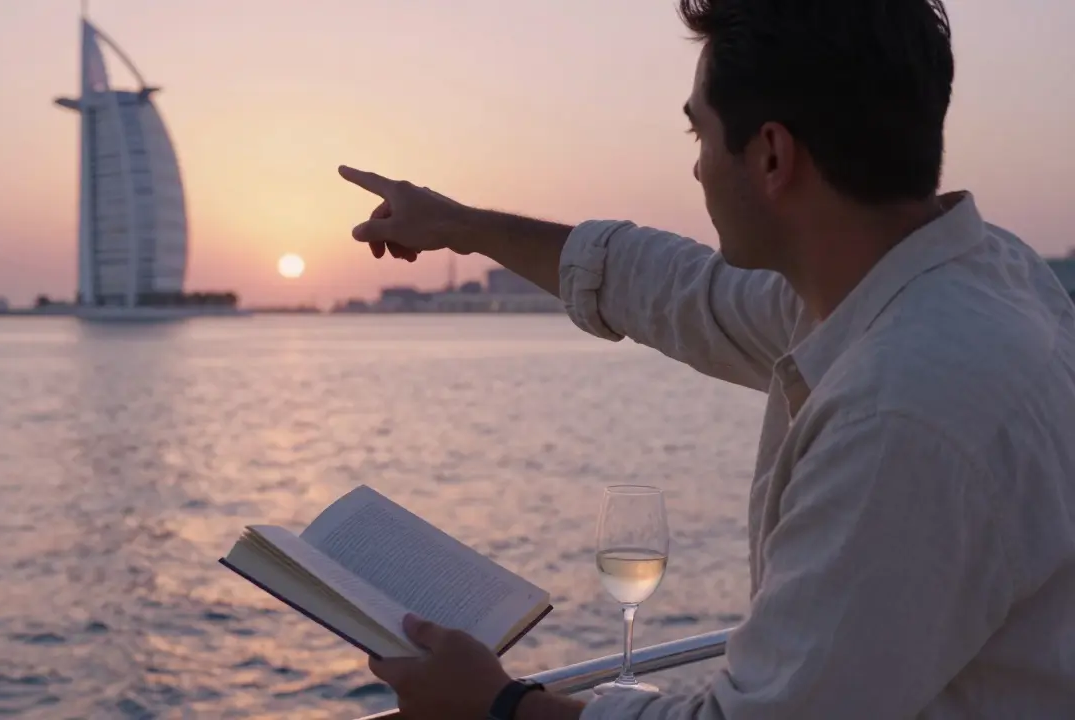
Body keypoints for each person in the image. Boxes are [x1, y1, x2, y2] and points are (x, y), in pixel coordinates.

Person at [337, 0, 1075, 718]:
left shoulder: (903, 414)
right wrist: (461, 226)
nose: (696, 171)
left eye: (700, 136)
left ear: (773, 156)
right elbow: (674, 289)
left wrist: (499, 705)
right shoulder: (971, 277)